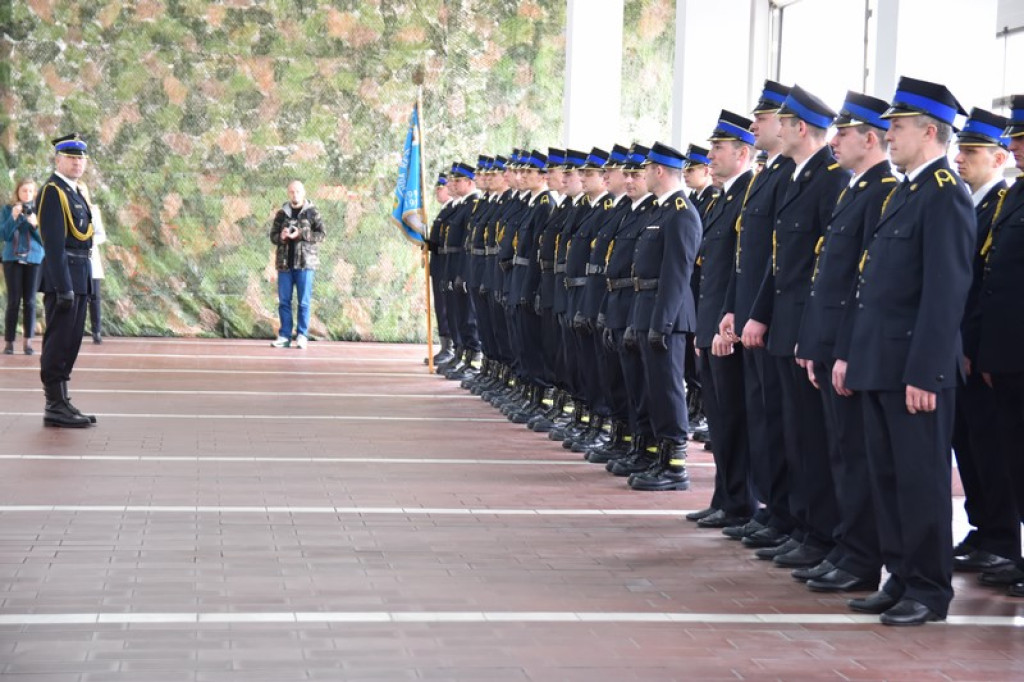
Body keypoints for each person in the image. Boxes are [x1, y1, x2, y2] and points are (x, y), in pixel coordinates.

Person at [835, 76, 974, 626]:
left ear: (930, 131)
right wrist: (851, 354)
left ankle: (929, 588)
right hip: (879, 363)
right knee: (887, 477)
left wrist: (927, 372)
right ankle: (899, 575)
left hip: (914, 370)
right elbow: (871, 287)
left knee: (920, 481)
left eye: (897, 127)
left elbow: (946, 293)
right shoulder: (907, 191)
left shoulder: (945, 196)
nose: (888, 134)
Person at [948, 108, 1017, 575]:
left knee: (994, 449)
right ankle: (984, 529)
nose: (960, 159)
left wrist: (975, 347)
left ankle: (1002, 537)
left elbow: (989, 288)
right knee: (970, 445)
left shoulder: (1000, 204)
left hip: (988, 350)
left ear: (996, 159)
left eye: (971, 152)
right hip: (967, 349)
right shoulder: (972, 203)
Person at [973, 95, 1024, 597]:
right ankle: (1007, 546)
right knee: (1010, 455)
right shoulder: (1015, 197)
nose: (1017, 148)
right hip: (1006, 353)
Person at [37, 133, 96, 428]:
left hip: (80, 272)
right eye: (71, 158)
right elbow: (54, 244)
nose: (77, 163)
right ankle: (53, 404)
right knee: (59, 339)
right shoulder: (53, 191)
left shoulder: (76, 191)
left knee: (71, 340)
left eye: (80, 158)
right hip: (65, 276)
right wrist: (63, 286)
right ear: (58, 159)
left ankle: (63, 400)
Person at [270, 180, 325, 349]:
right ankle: (284, 336)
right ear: (288, 193)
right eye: (292, 192)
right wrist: (282, 236)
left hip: (305, 264)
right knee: (284, 301)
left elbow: (321, 234)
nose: (295, 195)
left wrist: (302, 234)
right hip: (285, 265)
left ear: (304, 193)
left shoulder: (313, 213)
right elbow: (272, 236)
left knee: (304, 302)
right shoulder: (281, 214)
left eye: (298, 192)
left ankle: (302, 335)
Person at [2, 179, 43, 355]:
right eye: (23, 191)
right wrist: (13, 217)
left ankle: (28, 342)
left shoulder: (40, 211)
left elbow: (45, 240)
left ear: (34, 193)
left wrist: (35, 224)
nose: (27, 194)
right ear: (17, 192)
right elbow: (4, 235)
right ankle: (9, 342)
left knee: (30, 301)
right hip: (12, 258)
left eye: (30, 191)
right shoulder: (6, 210)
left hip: (33, 258)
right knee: (13, 301)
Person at [80, 183, 106, 344]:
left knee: (95, 297)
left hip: (91, 259)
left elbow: (101, 235)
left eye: (82, 191)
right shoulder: (67, 211)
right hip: (74, 262)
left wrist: (88, 241)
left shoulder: (94, 211)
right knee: (78, 298)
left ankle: (96, 331)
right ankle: (75, 330)